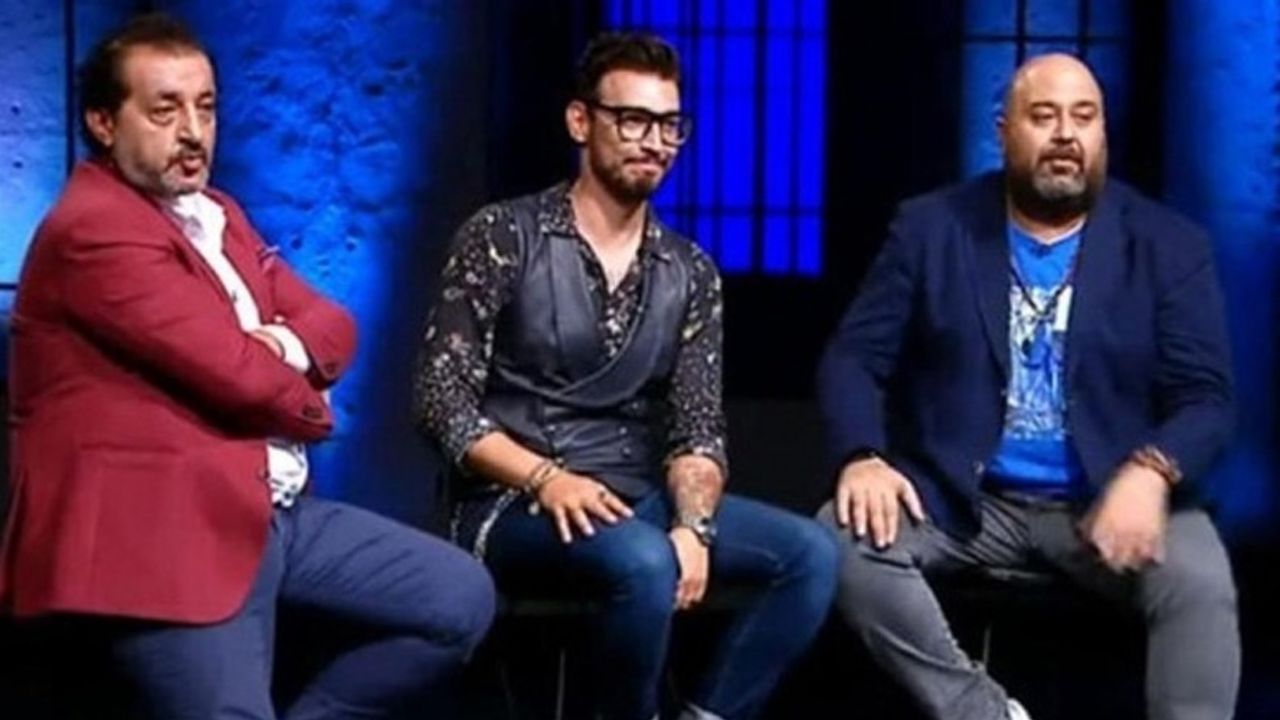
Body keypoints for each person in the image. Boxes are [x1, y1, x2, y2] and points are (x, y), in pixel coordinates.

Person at [0, 13, 494, 719]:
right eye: (165, 111)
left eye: (205, 108)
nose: (193, 132)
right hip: (162, 538)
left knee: (457, 599)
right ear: (103, 123)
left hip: (266, 509)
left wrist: (284, 346)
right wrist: (303, 393)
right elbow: (237, 376)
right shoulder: (96, 228)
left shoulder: (219, 214)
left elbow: (334, 323)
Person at [414, 31, 837, 720]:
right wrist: (547, 479)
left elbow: (697, 429)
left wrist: (695, 527)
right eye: (634, 120)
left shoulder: (689, 271)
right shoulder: (503, 236)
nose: (656, 142)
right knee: (643, 561)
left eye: (670, 125)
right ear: (581, 121)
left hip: (633, 496)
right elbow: (441, 403)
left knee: (812, 555)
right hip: (509, 501)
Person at [816, 53, 1238, 720]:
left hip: (1107, 493)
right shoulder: (931, 229)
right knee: (841, 541)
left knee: (1200, 581)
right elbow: (852, 359)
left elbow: (1207, 398)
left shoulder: (1168, 245)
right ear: (1004, 131)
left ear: (1102, 133)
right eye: (1044, 116)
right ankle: (984, 712)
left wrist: (1152, 469)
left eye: (1084, 117)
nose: (1066, 134)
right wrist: (862, 457)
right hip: (963, 498)